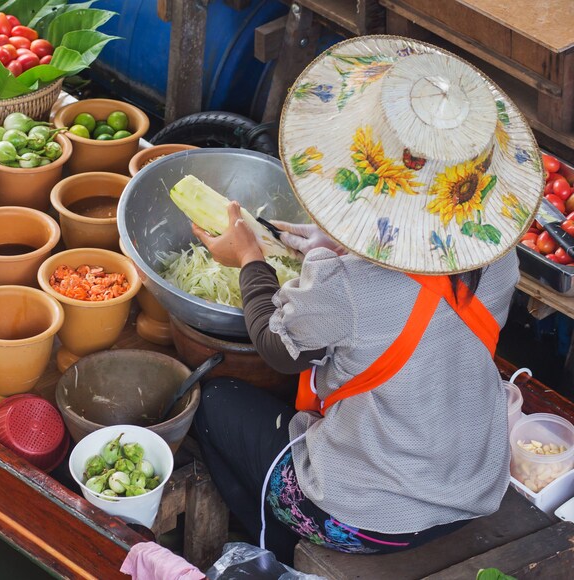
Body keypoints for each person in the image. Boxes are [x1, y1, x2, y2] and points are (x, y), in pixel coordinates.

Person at [190, 36, 543, 564]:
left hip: (369, 519)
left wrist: (249, 259)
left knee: (214, 405)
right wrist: (334, 247)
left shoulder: (351, 287)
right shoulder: (500, 259)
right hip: (471, 487)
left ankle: (276, 552)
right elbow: (419, 292)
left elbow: (276, 347)